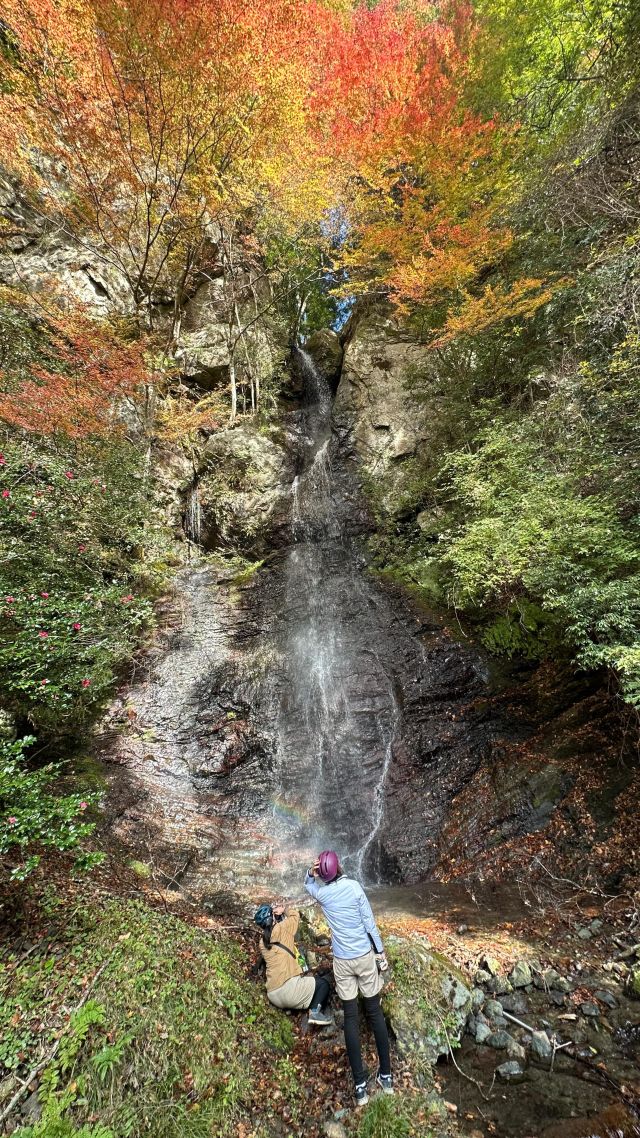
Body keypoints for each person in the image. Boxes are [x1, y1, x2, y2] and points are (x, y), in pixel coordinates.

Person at [304, 851, 393, 1107]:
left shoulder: (322, 894)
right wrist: (380, 952)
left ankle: (360, 1087)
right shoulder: (354, 887)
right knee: (374, 1012)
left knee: (351, 1018)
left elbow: (307, 885)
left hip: (342, 962)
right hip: (364, 957)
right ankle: (386, 1077)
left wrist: (311, 873)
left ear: (323, 873)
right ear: (339, 867)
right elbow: (369, 923)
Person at [254, 902, 333, 1025]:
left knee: (307, 981)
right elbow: (295, 916)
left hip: (273, 995)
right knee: (323, 984)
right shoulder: (284, 928)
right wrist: (284, 909)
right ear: (273, 916)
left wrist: (274, 918)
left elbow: (273, 934)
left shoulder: (262, 942)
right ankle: (314, 1013)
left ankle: (293, 1008)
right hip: (288, 992)